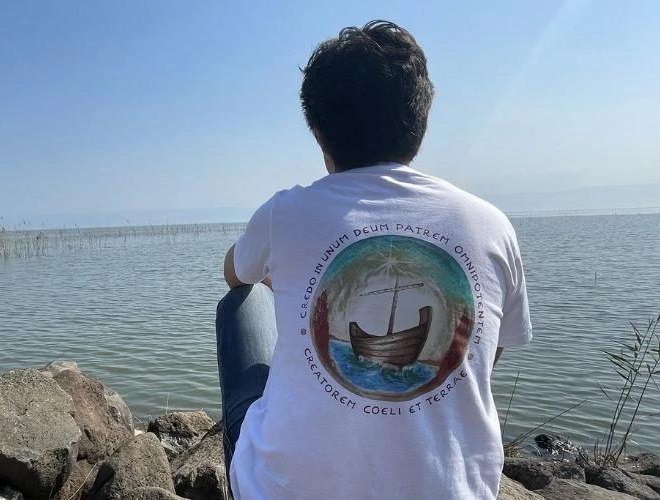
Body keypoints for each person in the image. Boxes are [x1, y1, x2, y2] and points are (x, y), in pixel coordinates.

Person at [216, 20, 532, 499]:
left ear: (317, 131)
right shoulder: (492, 225)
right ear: (421, 120)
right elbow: (488, 353)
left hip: (281, 491)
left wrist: (278, 272)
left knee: (242, 303)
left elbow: (233, 274)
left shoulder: (284, 213)